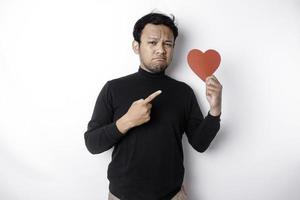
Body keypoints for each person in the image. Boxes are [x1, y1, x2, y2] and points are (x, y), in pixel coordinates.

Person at [84, 12, 223, 200]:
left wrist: (214, 110)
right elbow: (92, 144)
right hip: (122, 196)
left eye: (168, 44)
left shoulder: (183, 92)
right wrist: (127, 121)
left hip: (172, 196)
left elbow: (200, 144)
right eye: (152, 42)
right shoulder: (113, 88)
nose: (161, 50)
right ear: (136, 46)